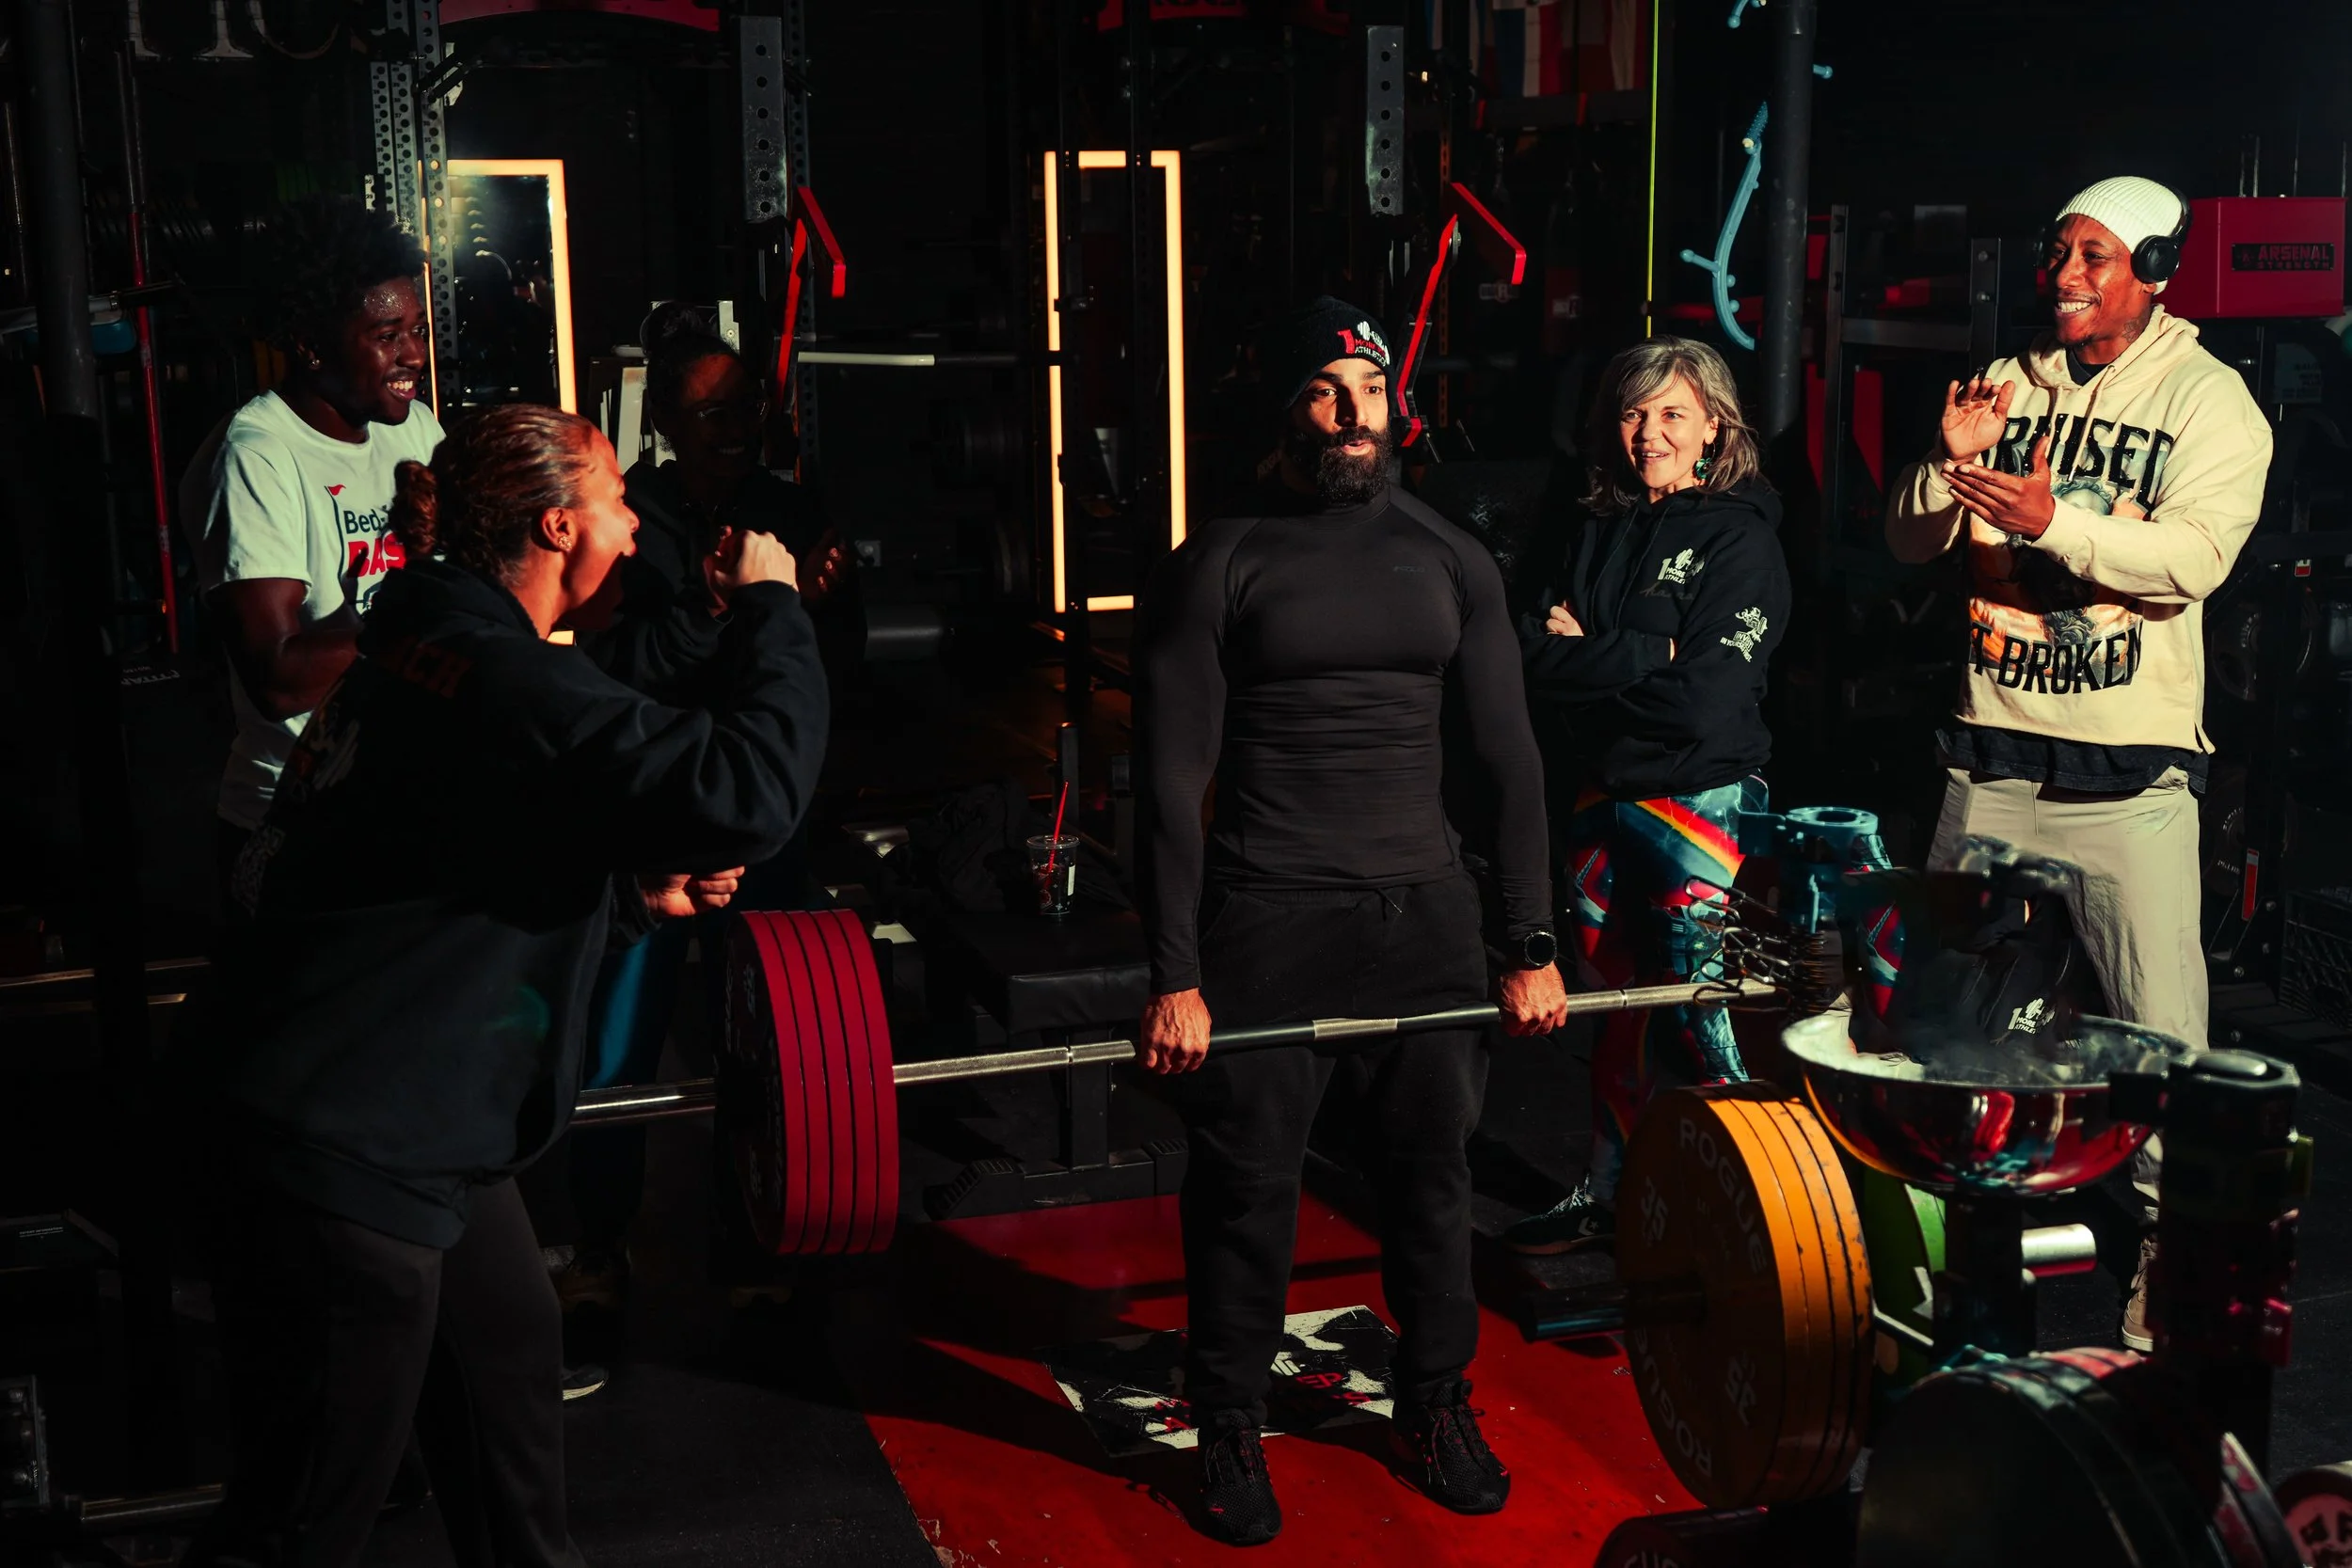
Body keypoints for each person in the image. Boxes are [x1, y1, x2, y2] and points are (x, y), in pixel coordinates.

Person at [180, 403, 828, 1568]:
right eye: (618, 502)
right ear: (557, 523)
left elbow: (442, 870)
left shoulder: (424, 639)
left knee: (507, 1377)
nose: (635, 528)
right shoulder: (500, 681)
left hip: (397, 1102)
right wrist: (776, 612)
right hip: (341, 1137)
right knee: (301, 1517)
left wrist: (631, 901)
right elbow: (747, 791)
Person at [1134, 296, 1568, 1546]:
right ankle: (1223, 1417)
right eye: (1326, 388)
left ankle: (1433, 1401)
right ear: (1289, 411)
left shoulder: (1450, 556)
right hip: (1270, 911)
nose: (1352, 408)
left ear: (1398, 404)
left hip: (1424, 910)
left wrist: (1527, 940)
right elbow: (1165, 783)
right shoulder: (1223, 558)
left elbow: (1510, 762)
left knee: (1433, 1181)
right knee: (1245, 1188)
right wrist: (1174, 970)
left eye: (1369, 387)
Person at [1884, 175, 2272, 1350]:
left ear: (2153, 266)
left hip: (2126, 783)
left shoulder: (2213, 402)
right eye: (2058, 252)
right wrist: (1940, 470)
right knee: (1940, 1049)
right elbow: (1907, 538)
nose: (2061, 274)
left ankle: (2180, 1283)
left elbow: (2193, 560)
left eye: (2092, 256)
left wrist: (2057, 523)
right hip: (1988, 764)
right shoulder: (2007, 385)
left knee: (2166, 1058)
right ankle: (1953, 1286)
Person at [550, 304, 864, 1326]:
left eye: (745, 404)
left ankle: (755, 1229)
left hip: (764, 823)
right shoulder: (632, 522)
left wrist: (808, 610)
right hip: (662, 820)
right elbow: (617, 669)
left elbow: (828, 678)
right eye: (710, 410)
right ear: (670, 427)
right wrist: (725, 608)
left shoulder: (791, 507)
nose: (734, 423)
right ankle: (593, 1246)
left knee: (776, 1037)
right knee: (616, 1044)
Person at [1502, 337, 1789, 1255]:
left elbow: (1706, 696)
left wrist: (1590, 653)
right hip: (1601, 798)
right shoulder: (1597, 524)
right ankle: (1611, 1192)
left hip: (1696, 807)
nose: (1649, 433)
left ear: (1714, 426)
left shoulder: (1740, 538)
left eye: (1671, 413)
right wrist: (1640, 655)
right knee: (1611, 1012)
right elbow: (1530, 658)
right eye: (1633, 413)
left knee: (1703, 1020)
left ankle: (1760, 1217)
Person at [183, 196, 442, 908]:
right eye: (387, 334)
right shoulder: (257, 455)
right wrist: (436, 622)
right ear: (311, 343)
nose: (414, 355)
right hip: (296, 816)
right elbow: (280, 676)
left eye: (416, 330)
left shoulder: (412, 429)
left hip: (398, 797)